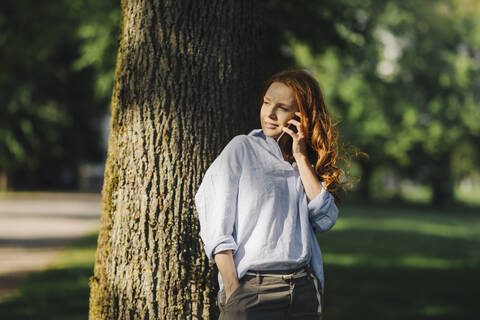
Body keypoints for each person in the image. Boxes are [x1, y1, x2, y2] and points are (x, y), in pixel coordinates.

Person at [195, 69, 345, 320]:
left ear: (300, 116)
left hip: (302, 291)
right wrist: (233, 290)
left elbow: (325, 218)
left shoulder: (302, 164)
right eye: (266, 103)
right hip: (253, 291)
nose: (270, 114)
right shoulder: (242, 148)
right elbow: (215, 227)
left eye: (282, 108)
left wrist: (300, 156)